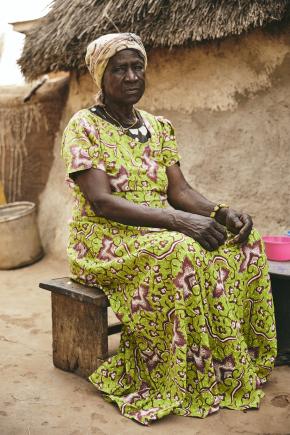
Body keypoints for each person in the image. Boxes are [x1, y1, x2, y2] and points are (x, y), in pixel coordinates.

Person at [61, 33, 277, 425]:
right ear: (101, 76)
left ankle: (229, 364)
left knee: (245, 244)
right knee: (183, 250)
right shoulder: (83, 127)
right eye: (120, 68)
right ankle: (180, 373)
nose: (131, 76)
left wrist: (221, 212)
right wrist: (180, 222)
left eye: (137, 67)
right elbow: (102, 202)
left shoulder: (159, 128)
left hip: (156, 229)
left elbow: (180, 192)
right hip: (104, 237)